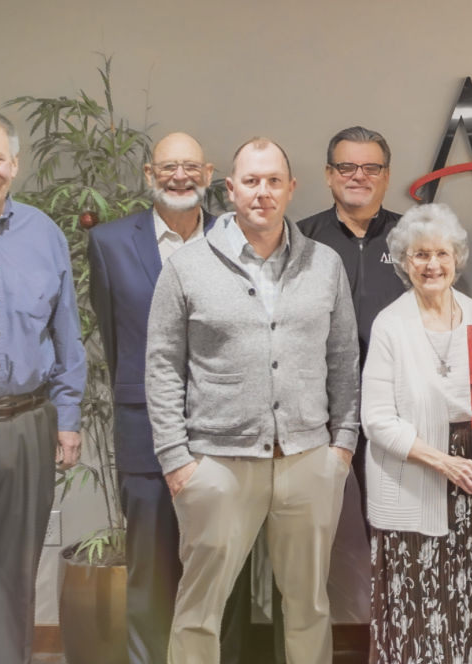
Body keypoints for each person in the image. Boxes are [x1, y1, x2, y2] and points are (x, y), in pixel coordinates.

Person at [145, 138, 360, 664]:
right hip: (218, 463)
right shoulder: (188, 266)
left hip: (309, 461)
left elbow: (343, 358)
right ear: (230, 188)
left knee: (309, 604)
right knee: (199, 609)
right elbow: (162, 365)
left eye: (273, 181)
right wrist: (177, 460)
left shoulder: (324, 264)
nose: (262, 192)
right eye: (251, 181)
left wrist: (342, 446)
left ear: (291, 188)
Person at [89, 133, 256, 664]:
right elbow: (115, 340)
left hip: (227, 430)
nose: (179, 176)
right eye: (167, 167)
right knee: (151, 570)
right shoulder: (110, 243)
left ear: (208, 174)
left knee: (226, 566)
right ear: (148, 174)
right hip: (144, 432)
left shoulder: (239, 239)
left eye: (190, 167)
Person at [362, 203, 472, 663]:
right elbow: (377, 419)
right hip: (416, 479)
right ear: (405, 262)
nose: (432, 265)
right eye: (420, 254)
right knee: (418, 605)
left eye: (441, 254)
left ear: (456, 258)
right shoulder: (390, 324)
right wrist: (444, 462)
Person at [0, 109, 86, 664]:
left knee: (15, 577)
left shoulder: (45, 234)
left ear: (14, 165)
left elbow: (67, 335)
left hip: (28, 425)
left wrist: (68, 418)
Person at [298, 126, 405, 531]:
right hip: (321, 412)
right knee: (323, 530)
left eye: (371, 168)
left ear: (387, 176)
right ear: (329, 174)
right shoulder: (300, 240)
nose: (359, 176)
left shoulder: (412, 238)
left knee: (392, 527)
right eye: (346, 167)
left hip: (398, 408)